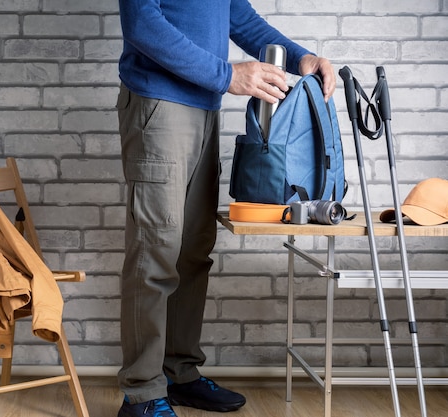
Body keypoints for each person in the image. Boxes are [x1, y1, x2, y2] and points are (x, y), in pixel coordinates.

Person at [115, 1, 336, 416]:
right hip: (159, 105)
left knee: (193, 252)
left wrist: (297, 55)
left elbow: (238, 16)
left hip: (204, 106)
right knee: (155, 252)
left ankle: (179, 374)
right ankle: (141, 393)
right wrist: (228, 75)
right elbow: (142, 24)